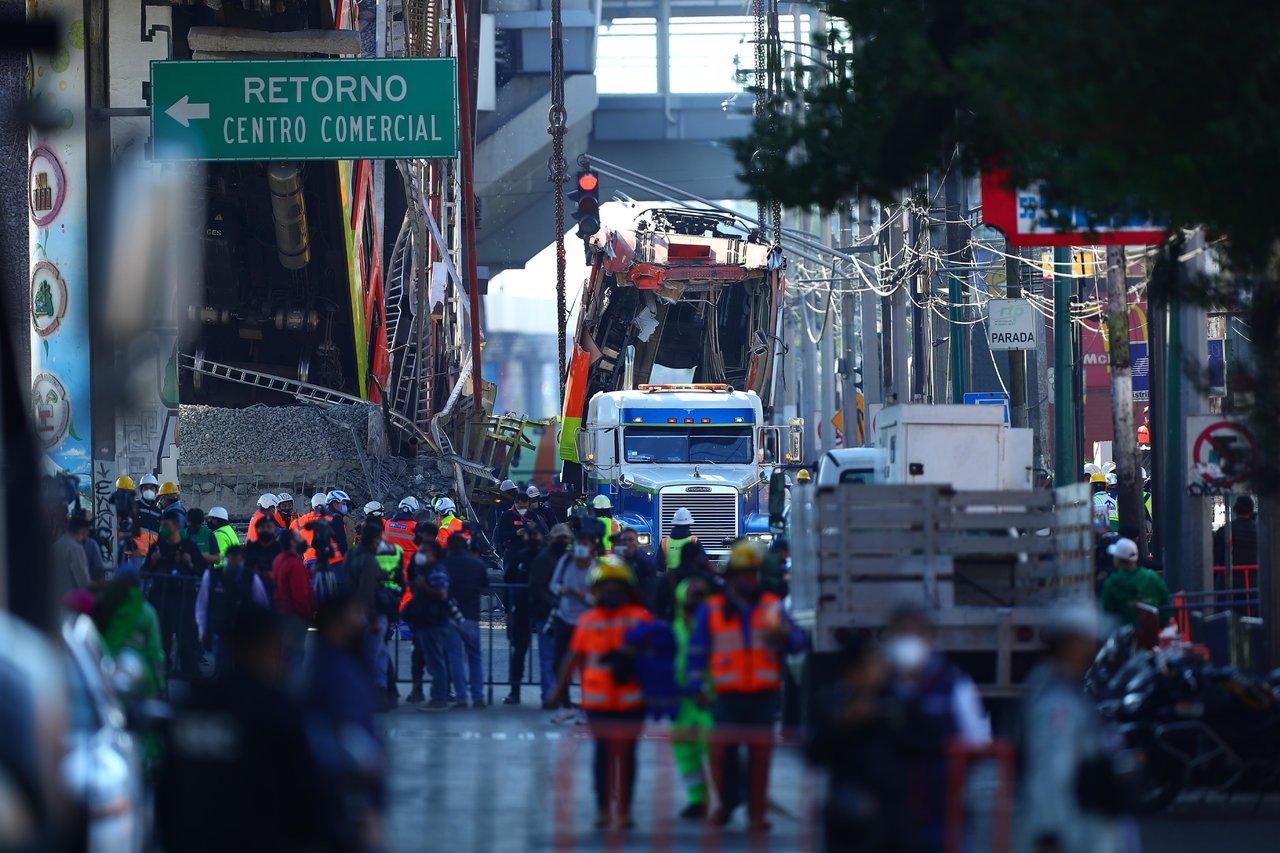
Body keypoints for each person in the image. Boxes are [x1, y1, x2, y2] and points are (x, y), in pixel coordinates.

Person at [157, 607, 324, 853]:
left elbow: (167, 787)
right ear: (268, 647)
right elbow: (305, 792)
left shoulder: (192, 705)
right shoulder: (275, 711)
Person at [686, 540, 805, 831]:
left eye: (753, 572)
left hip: (763, 696)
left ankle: (756, 813)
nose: (749, 578)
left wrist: (786, 637)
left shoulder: (772, 606)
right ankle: (727, 804)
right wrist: (695, 685)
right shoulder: (712, 609)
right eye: (744, 573)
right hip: (727, 695)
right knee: (724, 755)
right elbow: (697, 651)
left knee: (759, 757)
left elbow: (798, 642)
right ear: (730, 577)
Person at [547, 556, 652, 831]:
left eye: (616, 587)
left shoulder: (639, 618)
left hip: (632, 702)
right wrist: (558, 691)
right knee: (603, 757)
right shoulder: (588, 621)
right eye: (606, 587)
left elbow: (657, 656)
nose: (610, 592)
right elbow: (573, 658)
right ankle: (604, 810)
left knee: (627, 757)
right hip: (599, 704)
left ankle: (624, 811)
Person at [1017, 606, 1130, 853]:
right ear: (1068, 644)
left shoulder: (1069, 689)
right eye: (1086, 641)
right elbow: (1051, 771)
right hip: (1075, 831)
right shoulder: (1057, 702)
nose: (1093, 648)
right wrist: (1049, 833)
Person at [881, 605, 990, 851]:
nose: (907, 642)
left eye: (914, 634)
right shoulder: (878, 687)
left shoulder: (953, 684)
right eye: (900, 634)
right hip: (889, 815)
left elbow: (976, 744)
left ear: (930, 639)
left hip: (940, 811)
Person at [807, 636, 914, 853]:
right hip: (849, 813)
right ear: (852, 671)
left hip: (893, 815)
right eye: (870, 665)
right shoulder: (831, 701)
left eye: (880, 664)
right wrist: (842, 723)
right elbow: (814, 753)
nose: (878, 671)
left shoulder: (896, 701)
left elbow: (926, 741)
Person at [302, 594, 387, 851]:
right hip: (343, 794)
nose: (362, 621)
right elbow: (341, 730)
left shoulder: (347, 663)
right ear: (335, 623)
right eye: (355, 615)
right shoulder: (333, 670)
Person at [548, 520, 601, 721]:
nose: (580, 547)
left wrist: (580, 595)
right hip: (564, 620)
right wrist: (560, 590)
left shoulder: (597, 569)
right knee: (559, 664)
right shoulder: (566, 562)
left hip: (586, 625)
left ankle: (587, 708)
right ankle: (565, 705)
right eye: (579, 543)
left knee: (587, 668)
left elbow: (598, 599)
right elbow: (553, 584)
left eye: (585, 544)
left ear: (592, 547)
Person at [670, 577, 714, 818]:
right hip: (682, 702)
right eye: (692, 597)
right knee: (686, 754)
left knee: (716, 750)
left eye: (700, 597)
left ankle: (728, 798)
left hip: (709, 699)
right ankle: (697, 800)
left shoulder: (713, 626)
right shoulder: (673, 630)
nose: (696, 602)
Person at [148, 509, 209, 678]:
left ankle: (190, 672)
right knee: (162, 638)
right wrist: (152, 562)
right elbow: (145, 570)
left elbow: (203, 570)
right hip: (161, 599)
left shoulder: (188, 546)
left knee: (186, 638)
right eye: (161, 526)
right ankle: (162, 672)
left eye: (166, 525)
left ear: (175, 526)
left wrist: (190, 564)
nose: (163, 529)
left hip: (183, 599)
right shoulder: (157, 547)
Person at [92, 559, 166, 700]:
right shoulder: (147, 612)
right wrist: (159, 684)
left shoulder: (105, 605)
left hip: (106, 675)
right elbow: (155, 652)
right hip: (141, 680)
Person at [195, 544, 269, 675]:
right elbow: (202, 604)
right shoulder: (211, 576)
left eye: (238, 561)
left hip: (244, 634)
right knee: (222, 670)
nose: (235, 565)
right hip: (220, 632)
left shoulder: (251, 578)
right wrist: (202, 629)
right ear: (227, 559)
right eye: (232, 560)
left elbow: (262, 604)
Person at [345, 521, 393, 704]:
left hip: (352, 611)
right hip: (369, 614)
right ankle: (376, 694)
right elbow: (366, 592)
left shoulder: (351, 554)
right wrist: (372, 620)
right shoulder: (369, 561)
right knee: (375, 656)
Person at [530, 523, 573, 706]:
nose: (563, 541)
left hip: (565, 615)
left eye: (565, 538)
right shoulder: (543, 559)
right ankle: (549, 695)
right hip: (547, 614)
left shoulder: (569, 559)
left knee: (565, 658)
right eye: (560, 538)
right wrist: (553, 603)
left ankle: (562, 695)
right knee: (548, 657)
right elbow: (537, 586)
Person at [405, 541, 452, 710]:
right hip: (427, 622)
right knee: (433, 662)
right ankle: (437, 697)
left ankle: (439, 698)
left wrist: (423, 586)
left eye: (425, 551)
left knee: (436, 662)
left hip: (434, 622)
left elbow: (442, 594)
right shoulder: (427, 570)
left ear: (434, 554)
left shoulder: (437, 571)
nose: (421, 554)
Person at [444, 531, 489, 709]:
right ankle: (478, 697)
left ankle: (461, 697)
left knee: (455, 659)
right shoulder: (477, 564)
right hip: (471, 615)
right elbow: (485, 584)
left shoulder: (445, 564)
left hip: (452, 615)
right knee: (475, 658)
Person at [502, 524, 544, 704]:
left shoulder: (546, 557)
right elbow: (508, 583)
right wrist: (507, 609)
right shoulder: (519, 557)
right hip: (521, 609)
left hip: (544, 609)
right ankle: (515, 690)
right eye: (530, 534)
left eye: (536, 534)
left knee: (549, 654)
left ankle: (552, 692)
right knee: (518, 651)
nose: (533, 538)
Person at [370, 518, 407, 703]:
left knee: (377, 650)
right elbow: (401, 576)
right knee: (381, 648)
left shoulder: (368, 553)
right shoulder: (396, 550)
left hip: (375, 602)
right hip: (391, 598)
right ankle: (389, 690)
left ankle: (383, 690)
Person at [1100, 537, 1171, 627]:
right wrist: (1159, 627)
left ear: (1117, 559)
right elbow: (1167, 604)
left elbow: (1107, 614)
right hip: (1151, 632)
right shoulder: (1153, 578)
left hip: (1122, 632)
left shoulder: (1110, 584)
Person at [271, 529, 314, 668]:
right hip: (295, 617)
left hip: (281, 613)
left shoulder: (278, 559)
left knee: (285, 655)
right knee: (295, 656)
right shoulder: (295, 564)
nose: (303, 540)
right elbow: (300, 595)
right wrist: (307, 615)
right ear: (292, 542)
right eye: (299, 538)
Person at [1212, 495, 1259, 574]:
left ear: (1234, 509)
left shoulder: (1224, 530)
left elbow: (1216, 558)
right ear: (1251, 511)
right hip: (1256, 577)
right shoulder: (1259, 531)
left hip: (1230, 577)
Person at [242, 514, 282, 604]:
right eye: (262, 527)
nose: (266, 530)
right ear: (257, 529)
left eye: (269, 527)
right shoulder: (250, 549)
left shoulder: (280, 549)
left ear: (275, 530)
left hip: (277, 594)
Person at [616, 527, 658, 611]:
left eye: (631, 540)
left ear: (637, 542)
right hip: (623, 606)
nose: (627, 543)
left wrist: (636, 554)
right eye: (624, 540)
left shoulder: (645, 559)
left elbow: (652, 567)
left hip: (643, 605)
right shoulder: (617, 561)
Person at [52, 513, 91, 603]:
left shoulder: (56, 545)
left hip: (55, 599)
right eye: (87, 530)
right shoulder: (76, 548)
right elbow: (83, 580)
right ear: (82, 531)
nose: (88, 534)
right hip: (71, 600)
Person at [327, 489, 354, 555]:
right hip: (337, 558)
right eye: (343, 504)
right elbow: (342, 541)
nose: (345, 507)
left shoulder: (326, 518)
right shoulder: (336, 519)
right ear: (335, 504)